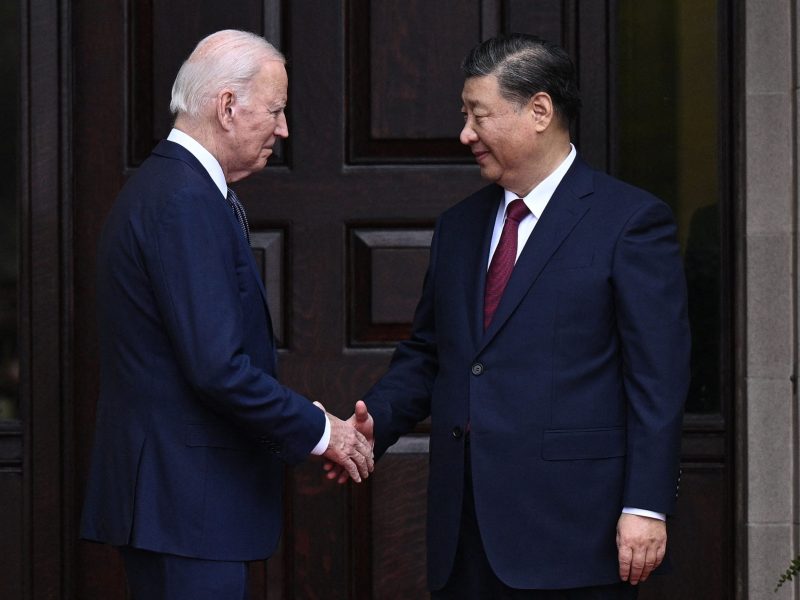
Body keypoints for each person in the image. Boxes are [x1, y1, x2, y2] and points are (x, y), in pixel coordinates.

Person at [328, 33, 689, 598]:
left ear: (539, 111)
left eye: (478, 114)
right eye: (464, 115)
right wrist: (379, 418)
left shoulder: (630, 222)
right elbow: (430, 352)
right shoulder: (459, 225)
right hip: (465, 533)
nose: (465, 134)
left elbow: (657, 380)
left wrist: (646, 505)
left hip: (576, 532)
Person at [80, 29, 373, 600]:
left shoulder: (171, 187)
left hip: (179, 503)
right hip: (185, 506)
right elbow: (216, 367)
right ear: (228, 106)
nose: (284, 130)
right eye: (276, 110)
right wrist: (321, 431)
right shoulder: (184, 199)